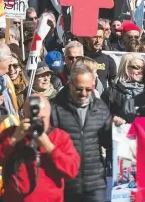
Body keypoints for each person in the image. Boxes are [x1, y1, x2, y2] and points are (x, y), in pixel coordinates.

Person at [0, 93, 79, 202]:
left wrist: (49, 147)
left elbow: (72, 170)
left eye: (41, 119)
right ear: (24, 115)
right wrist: (14, 139)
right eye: (32, 118)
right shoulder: (12, 133)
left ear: (49, 115)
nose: (36, 123)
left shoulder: (59, 137)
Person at [50, 64, 112, 202]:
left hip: (95, 183)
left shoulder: (100, 108)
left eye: (88, 89)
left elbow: (108, 143)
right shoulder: (56, 109)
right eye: (79, 89)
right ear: (70, 84)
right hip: (67, 183)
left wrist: (114, 129)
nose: (84, 94)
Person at [101, 53, 145, 120]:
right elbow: (101, 118)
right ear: (125, 67)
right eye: (136, 67)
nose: (141, 71)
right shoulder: (110, 92)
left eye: (143, 68)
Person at [83, 24, 117, 89]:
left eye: (101, 37)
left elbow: (113, 86)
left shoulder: (108, 60)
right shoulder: (79, 58)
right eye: (95, 37)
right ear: (87, 38)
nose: (98, 41)